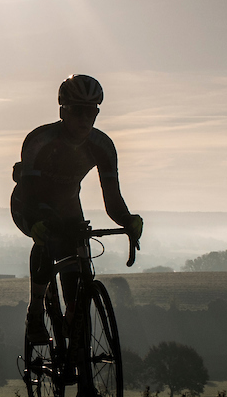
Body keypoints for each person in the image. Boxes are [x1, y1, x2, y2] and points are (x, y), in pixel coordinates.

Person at [11, 74, 143, 342]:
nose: (86, 119)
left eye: (92, 111)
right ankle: (35, 312)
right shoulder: (40, 140)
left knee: (78, 268)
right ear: (63, 110)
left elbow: (112, 198)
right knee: (47, 237)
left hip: (68, 204)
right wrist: (36, 220)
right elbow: (31, 192)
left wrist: (127, 220)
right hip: (30, 201)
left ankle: (77, 345)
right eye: (79, 111)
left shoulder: (102, 146)